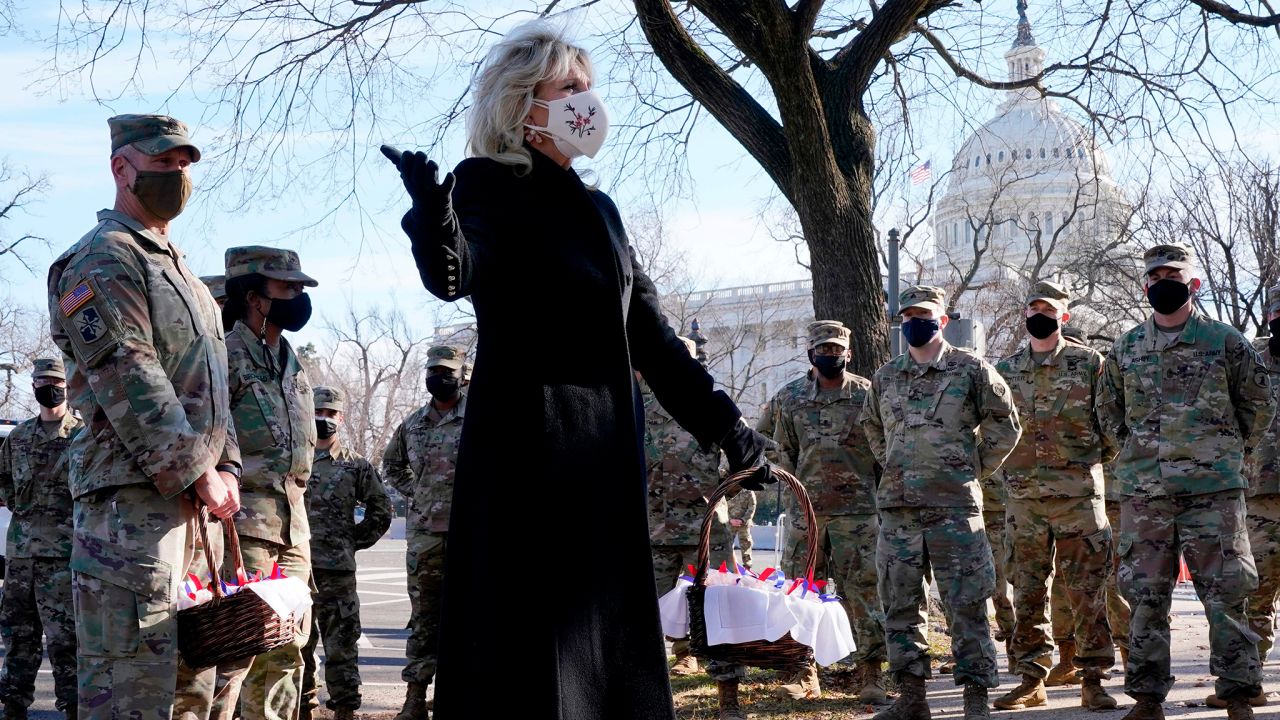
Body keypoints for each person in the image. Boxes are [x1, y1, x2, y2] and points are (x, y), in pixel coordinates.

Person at [382, 21, 768, 719]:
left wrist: (728, 427)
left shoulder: (601, 211)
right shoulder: (486, 185)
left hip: (604, 460)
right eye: (570, 88)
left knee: (605, 653)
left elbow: (653, 337)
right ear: (524, 104)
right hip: (524, 456)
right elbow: (456, 276)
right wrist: (433, 219)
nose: (586, 101)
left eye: (589, 88)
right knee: (530, 653)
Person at [46, 113, 241, 720]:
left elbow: (214, 386)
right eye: (162, 163)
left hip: (193, 506)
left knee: (189, 695)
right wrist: (196, 469)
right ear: (121, 169)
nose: (177, 175)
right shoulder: (100, 260)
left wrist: (227, 464)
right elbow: (128, 373)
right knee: (132, 690)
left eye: (183, 165)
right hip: (129, 517)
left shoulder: (182, 272)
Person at [1097, 243, 1273, 720]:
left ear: (1192, 283)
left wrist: (1227, 454)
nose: (1163, 283)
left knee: (1227, 593)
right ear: (1145, 285)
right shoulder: (1127, 346)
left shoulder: (1224, 341)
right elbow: (1107, 410)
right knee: (1145, 596)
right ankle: (1148, 698)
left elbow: (1257, 405)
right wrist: (1136, 456)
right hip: (1146, 494)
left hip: (1213, 492)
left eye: (1172, 275)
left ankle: (1238, 694)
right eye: (1155, 277)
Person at [861, 285, 1021, 720]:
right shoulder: (886, 376)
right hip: (899, 510)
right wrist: (896, 466)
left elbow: (1005, 425)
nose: (915, 321)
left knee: (967, 602)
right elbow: (873, 427)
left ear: (942, 319)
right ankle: (912, 697)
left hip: (954, 508)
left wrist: (971, 468)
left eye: (924, 314)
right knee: (899, 604)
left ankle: (975, 700)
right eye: (908, 315)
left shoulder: (971, 369)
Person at [991, 281, 1117, 712]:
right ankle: (1031, 678)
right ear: (1024, 315)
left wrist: (1083, 463)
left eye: (1049, 309)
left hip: (1078, 496)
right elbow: (991, 430)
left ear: (1064, 316)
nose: (1039, 315)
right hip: (1024, 501)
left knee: (1087, 590)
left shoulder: (1089, 363)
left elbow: (1113, 424)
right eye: (1033, 308)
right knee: (1026, 590)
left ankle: (1093, 678)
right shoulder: (1004, 371)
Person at [211, 245, 319, 720]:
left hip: (293, 527)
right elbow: (208, 435)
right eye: (287, 287)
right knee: (236, 652)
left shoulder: (292, 363)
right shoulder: (223, 356)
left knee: (287, 646)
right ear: (255, 297)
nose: (297, 296)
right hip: (242, 526)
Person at [773, 320, 887, 704]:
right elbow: (780, 452)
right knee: (802, 593)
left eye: (836, 350)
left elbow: (883, 451)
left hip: (857, 516)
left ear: (848, 354)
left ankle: (871, 674)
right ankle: (805, 672)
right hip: (807, 517)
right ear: (810, 352)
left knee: (864, 594)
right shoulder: (789, 398)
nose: (829, 355)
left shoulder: (868, 394)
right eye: (823, 349)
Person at [381, 345, 469, 719]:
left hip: (472, 534)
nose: (439, 377)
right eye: (433, 370)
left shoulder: (482, 416)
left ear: (463, 375)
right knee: (424, 618)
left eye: (447, 371)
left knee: (469, 615)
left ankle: (463, 697)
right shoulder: (414, 423)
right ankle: (415, 698)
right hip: (425, 537)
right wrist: (416, 494)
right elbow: (391, 465)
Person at [1204, 282, 1280, 709]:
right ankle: (1247, 680)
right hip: (1261, 498)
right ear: (1269, 317)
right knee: (1256, 595)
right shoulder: (1248, 359)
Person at [300, 387, 392, 720]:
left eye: (329, 413)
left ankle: (344, 709)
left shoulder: (356, 466)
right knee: (297, 644)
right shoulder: (296, 458)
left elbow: (381, 510)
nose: (322, 418)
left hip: (337, 571)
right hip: (297, 569)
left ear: (340, 417)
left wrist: (352, 541)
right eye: (317, 411)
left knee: (341, 645)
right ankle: (302, 706)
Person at [0, 357, 83, 719]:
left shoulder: (82, 436)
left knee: (67, 640)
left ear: (67, 386)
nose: (49, 388)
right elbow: (3, 481)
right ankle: (13, 705)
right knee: (18, 636)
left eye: (56, 382)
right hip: (21, 555)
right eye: (42, 382)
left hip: (64, 556)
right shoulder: (17, 438)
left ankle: (73, 707)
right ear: (33, 386)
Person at [726, 488, 756, 569]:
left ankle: (747, 566)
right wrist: (729, 519)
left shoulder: (749, 491)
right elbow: (722, 506)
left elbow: (752, 507)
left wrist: (743, 520)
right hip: (729, 523)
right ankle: (729, 565)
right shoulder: (728, 489)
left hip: (744, 524)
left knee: (746, 544)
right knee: (726, 544)